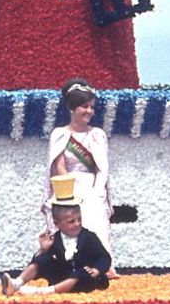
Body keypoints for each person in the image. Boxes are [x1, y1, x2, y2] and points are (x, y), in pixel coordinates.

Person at [43, 78, 116, 274]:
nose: (89, 111)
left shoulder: (97, 134)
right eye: (84, 106)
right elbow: (58, 165)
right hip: (69, 186)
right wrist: (70, 193)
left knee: (96, 218)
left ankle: (103, 267)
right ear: (72, 108)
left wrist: (97, 190)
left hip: (93, 185)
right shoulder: (59, 134)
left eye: (92, 107)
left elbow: (102, 168)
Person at [2, 180, 110, 295]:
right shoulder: (55, 239)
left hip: (84, 280)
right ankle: (16, 284)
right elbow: (40, 263)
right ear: (57, 223)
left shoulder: (89, 237)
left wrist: (97, 270)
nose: (77, 224)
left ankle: (43, 292)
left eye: (79, 219)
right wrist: (43, 250)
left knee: (81, 272)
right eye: (71, 221)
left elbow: (104, 257)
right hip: (62, 278)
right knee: (43, 258)